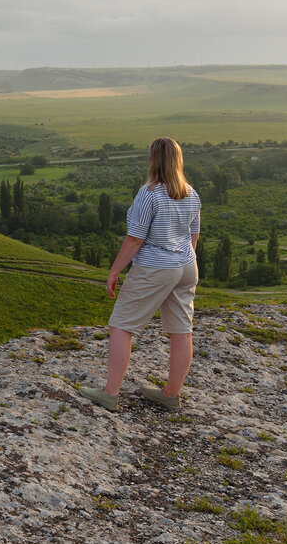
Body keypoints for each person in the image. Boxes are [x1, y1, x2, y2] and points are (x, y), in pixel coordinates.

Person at [79, 137, 200, 412]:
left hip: (155, 266)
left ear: (153, 159)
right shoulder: (191, 193)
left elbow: (135, 239)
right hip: (186, 266)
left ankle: (110, 393)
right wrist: (182, 259)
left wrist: (114, 271)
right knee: (182, 330)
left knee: (121, 325)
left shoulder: (150, 193)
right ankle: (171, 394)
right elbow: (194, 235)